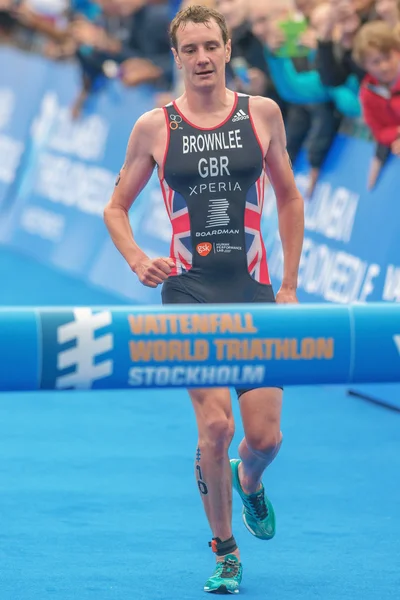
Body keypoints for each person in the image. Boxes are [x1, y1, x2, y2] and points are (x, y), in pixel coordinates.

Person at [103, 4, 304, 594]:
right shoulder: (154, 126)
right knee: (214, 428)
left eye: (209, 47)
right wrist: (138, 258)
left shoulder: (261, 114)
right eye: (189, 50)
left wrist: (289, 284)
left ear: (227, 49)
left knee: (265, 439)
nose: (201, 59)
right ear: (177, 56)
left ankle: (251, 482)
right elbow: (114, 207)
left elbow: (290, 199)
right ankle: (225, 552)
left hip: (255, 292)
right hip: (189, 294)